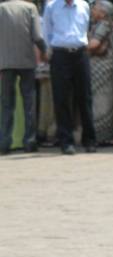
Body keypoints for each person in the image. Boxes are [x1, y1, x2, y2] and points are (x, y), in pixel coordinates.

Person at [42, 0, 97, 154]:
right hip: (60, 54)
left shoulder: (83, 5)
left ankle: (90, 140)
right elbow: (46, 31)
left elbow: (86, 28)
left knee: (85, 97)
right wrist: (49, 52)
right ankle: (66, 142)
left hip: (80, 53)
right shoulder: (52, 6)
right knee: (61, 98)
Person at [0, 0, 46, 154]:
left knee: (7, 104)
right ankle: (29, 142)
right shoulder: (30, 8)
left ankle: (4, 143)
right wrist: (45, 52)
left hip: (5, 62)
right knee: (29, 103)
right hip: (26, 61)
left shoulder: (1, 8)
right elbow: (38, 36)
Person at [87, 0, 113, 146]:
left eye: (95, 9)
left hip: (102, 69)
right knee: (104, 103)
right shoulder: (109, 24)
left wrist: (77, 44)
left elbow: (94, 44)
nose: (92, 11)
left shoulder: (103, 24)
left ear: (103, 13)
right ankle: (106, 136)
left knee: (101, 103)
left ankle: (102, 137)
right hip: (106, 69)